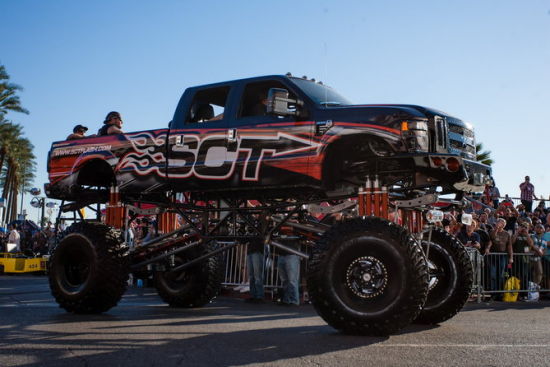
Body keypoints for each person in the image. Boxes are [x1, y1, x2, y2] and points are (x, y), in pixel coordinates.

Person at [245, 213, 268, 303]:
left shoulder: (262, 223)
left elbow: (264, 226)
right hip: (250, 250)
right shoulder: (251, 223)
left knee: (257, 275)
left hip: (258, 250)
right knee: (251, 276)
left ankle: (259, 296)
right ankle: (253, 295)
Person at [276, 235, 301, 306]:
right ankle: (287, 300)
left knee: (292, 280)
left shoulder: (295, 226)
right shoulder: (279, 228)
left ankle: (294, 300)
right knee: (285, 280)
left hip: (291, 254)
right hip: (281, 254)